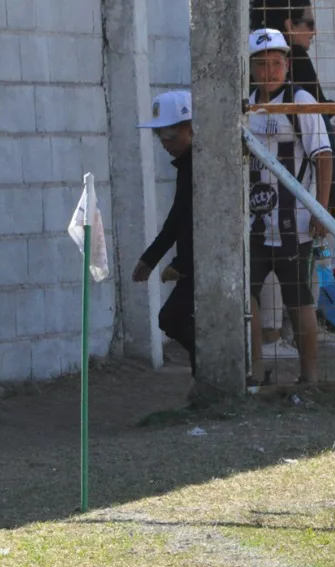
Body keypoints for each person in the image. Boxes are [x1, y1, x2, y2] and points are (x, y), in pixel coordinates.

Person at [247, 27, 330, 384]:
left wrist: (320, 209)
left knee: (298, 299)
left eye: (276, 63)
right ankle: (254, 371)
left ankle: (309, 377)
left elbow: (323, 157)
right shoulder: (244, 103)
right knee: (246, 296)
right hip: (251, 222)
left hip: (293, 222)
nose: (269, 71)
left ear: (287, 64)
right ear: (250, 67)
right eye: (262, 64)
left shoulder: (301, 102)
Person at [251, 1, 335, 214]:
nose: (313, 32)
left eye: (276, 64)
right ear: (289, 25)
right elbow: (318, 106)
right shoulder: (295, 55)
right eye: (309, 24)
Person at [134, 91, 197, 373]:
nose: (164, 143)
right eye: (161, 136)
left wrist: (179, 264)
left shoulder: (200, 167)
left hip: (201, 264)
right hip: (192, 264)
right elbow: (178, 217)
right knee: (176, 319)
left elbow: (196, 218)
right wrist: (151, 258)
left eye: (170, 136)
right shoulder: (187, 165)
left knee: (174, 318)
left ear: (192, 129)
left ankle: (216, 369)